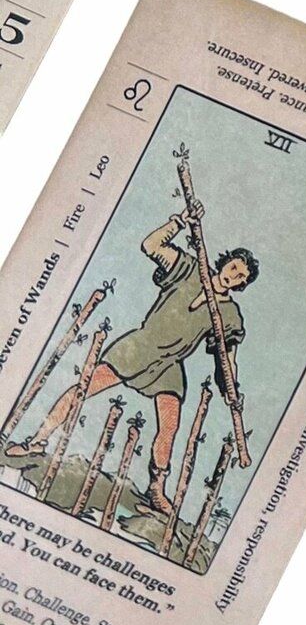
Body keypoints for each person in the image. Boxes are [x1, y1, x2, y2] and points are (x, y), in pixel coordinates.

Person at [6, 205, 259, 519]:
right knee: (84, 388)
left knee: (169, 426)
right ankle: (37, 440)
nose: (233, 275)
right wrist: (180, 222)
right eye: (234, 267)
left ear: (241, 284)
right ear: (225, 262)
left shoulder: (230, 315)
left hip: (169, 365)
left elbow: (227, 359)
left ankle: (156, 490)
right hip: (139, 346)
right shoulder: (189, 268)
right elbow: (151, 246)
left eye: (240, 276)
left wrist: (231, 389)